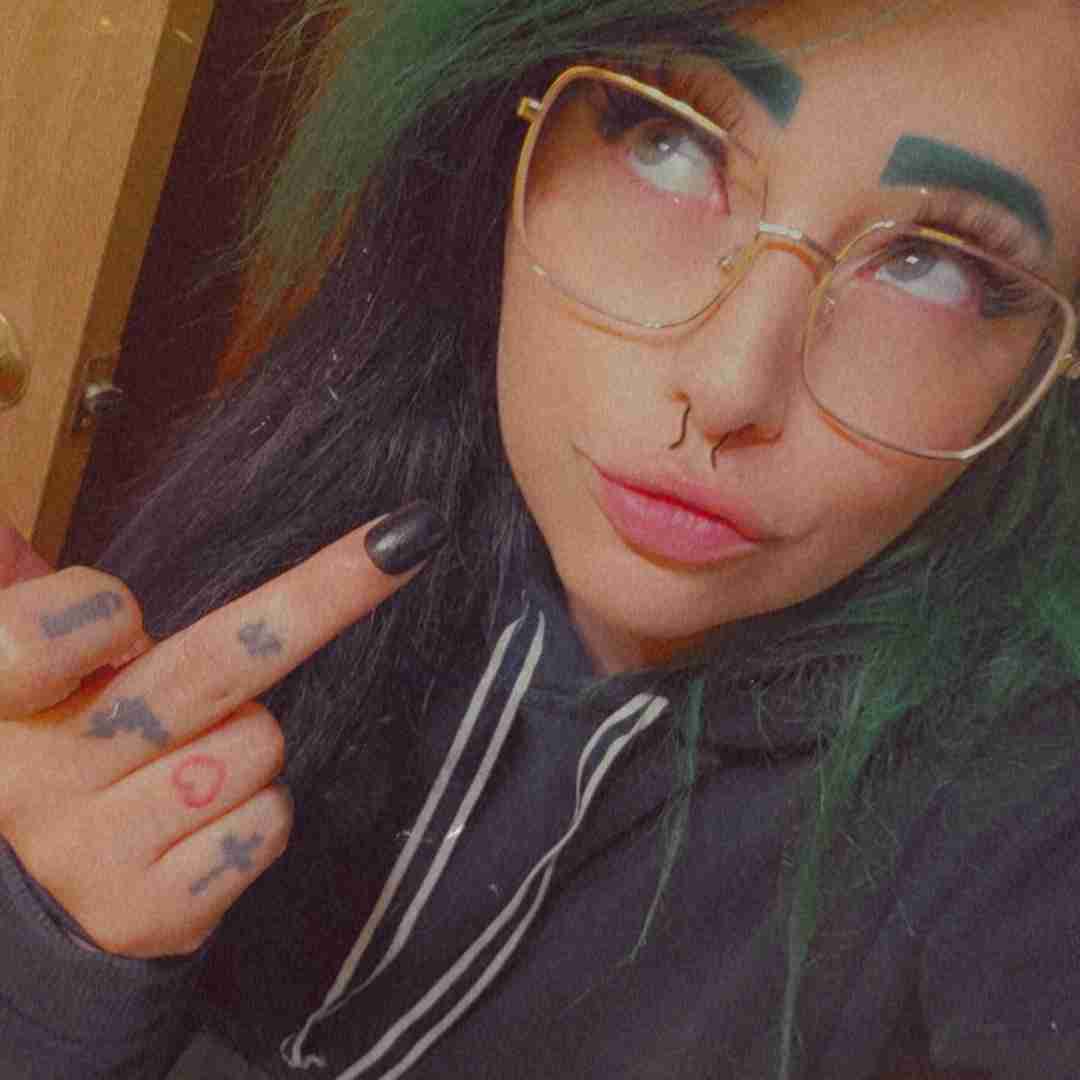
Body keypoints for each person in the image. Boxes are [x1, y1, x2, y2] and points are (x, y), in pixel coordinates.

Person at [2, 0, 1079, 1076]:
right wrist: (51, 968)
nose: (727, 385)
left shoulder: (1014, 817)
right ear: (507, 136)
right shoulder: (329, 477)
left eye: (935, 264)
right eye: (669, 141)